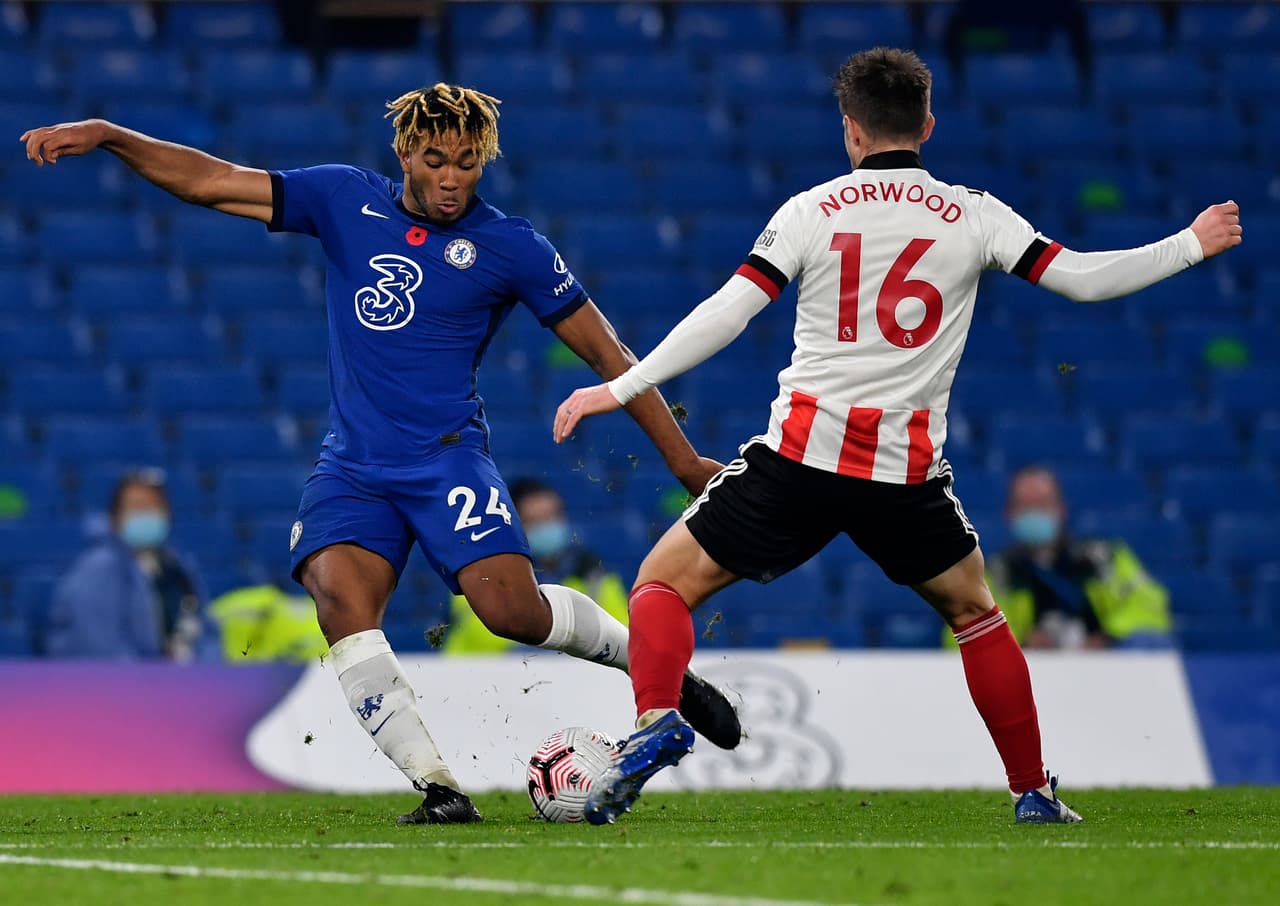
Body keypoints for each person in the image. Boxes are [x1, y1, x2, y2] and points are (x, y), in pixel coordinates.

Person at [554, 47, 1242, 825]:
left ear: (851, 130)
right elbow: (1081, 279)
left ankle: (655, 720)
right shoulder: (975, 213)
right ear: (927, 124)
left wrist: (621, 386)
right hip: (903, 475)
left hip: (799, 461)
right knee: (977, 613)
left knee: (660, 584)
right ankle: (1032, 792)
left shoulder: (810, 210)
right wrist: (1190, 243)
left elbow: (729, 311)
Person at [22, 83, 739, 825]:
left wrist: (683, 463)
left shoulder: (510, 245)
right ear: (404, 155)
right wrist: (110, 132)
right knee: (340, 600)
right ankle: (440, 788)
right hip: (354, 467)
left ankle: (659, 672)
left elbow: (611, 353)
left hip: (447, 460)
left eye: (468, 161)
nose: (452, 177)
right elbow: (209, 182)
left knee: (510, 613)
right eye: (435, 160)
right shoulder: (342, 199)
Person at [980, 466, 1171, 650]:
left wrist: (1108, 637)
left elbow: (1149, 605)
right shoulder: (996, 573)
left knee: (1151, 641)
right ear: (1008, 513)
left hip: (1106, 666)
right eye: (1024, 505)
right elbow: (969, 634)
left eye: (1042, 504)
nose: (1033, 513)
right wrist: (1020, 643)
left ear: (1062, 508)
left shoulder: (1103, 559)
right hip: (1027, 668)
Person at [443, 477, 629, 655]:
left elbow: (622, 635)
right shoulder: (481, 574)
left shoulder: (595, 576)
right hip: (481, 680)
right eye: (536, 522)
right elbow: (479, 636)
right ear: (514, 526)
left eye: (552, 518)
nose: (547, 528)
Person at [48, 470, 209, 660]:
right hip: (112, 684)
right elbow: (100, 647)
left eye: (154, 507)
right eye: (137, 507)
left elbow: (205, 630)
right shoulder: (98, 569)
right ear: (115, 519)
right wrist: (154, 682)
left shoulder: (178, 567)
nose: (146, 515)